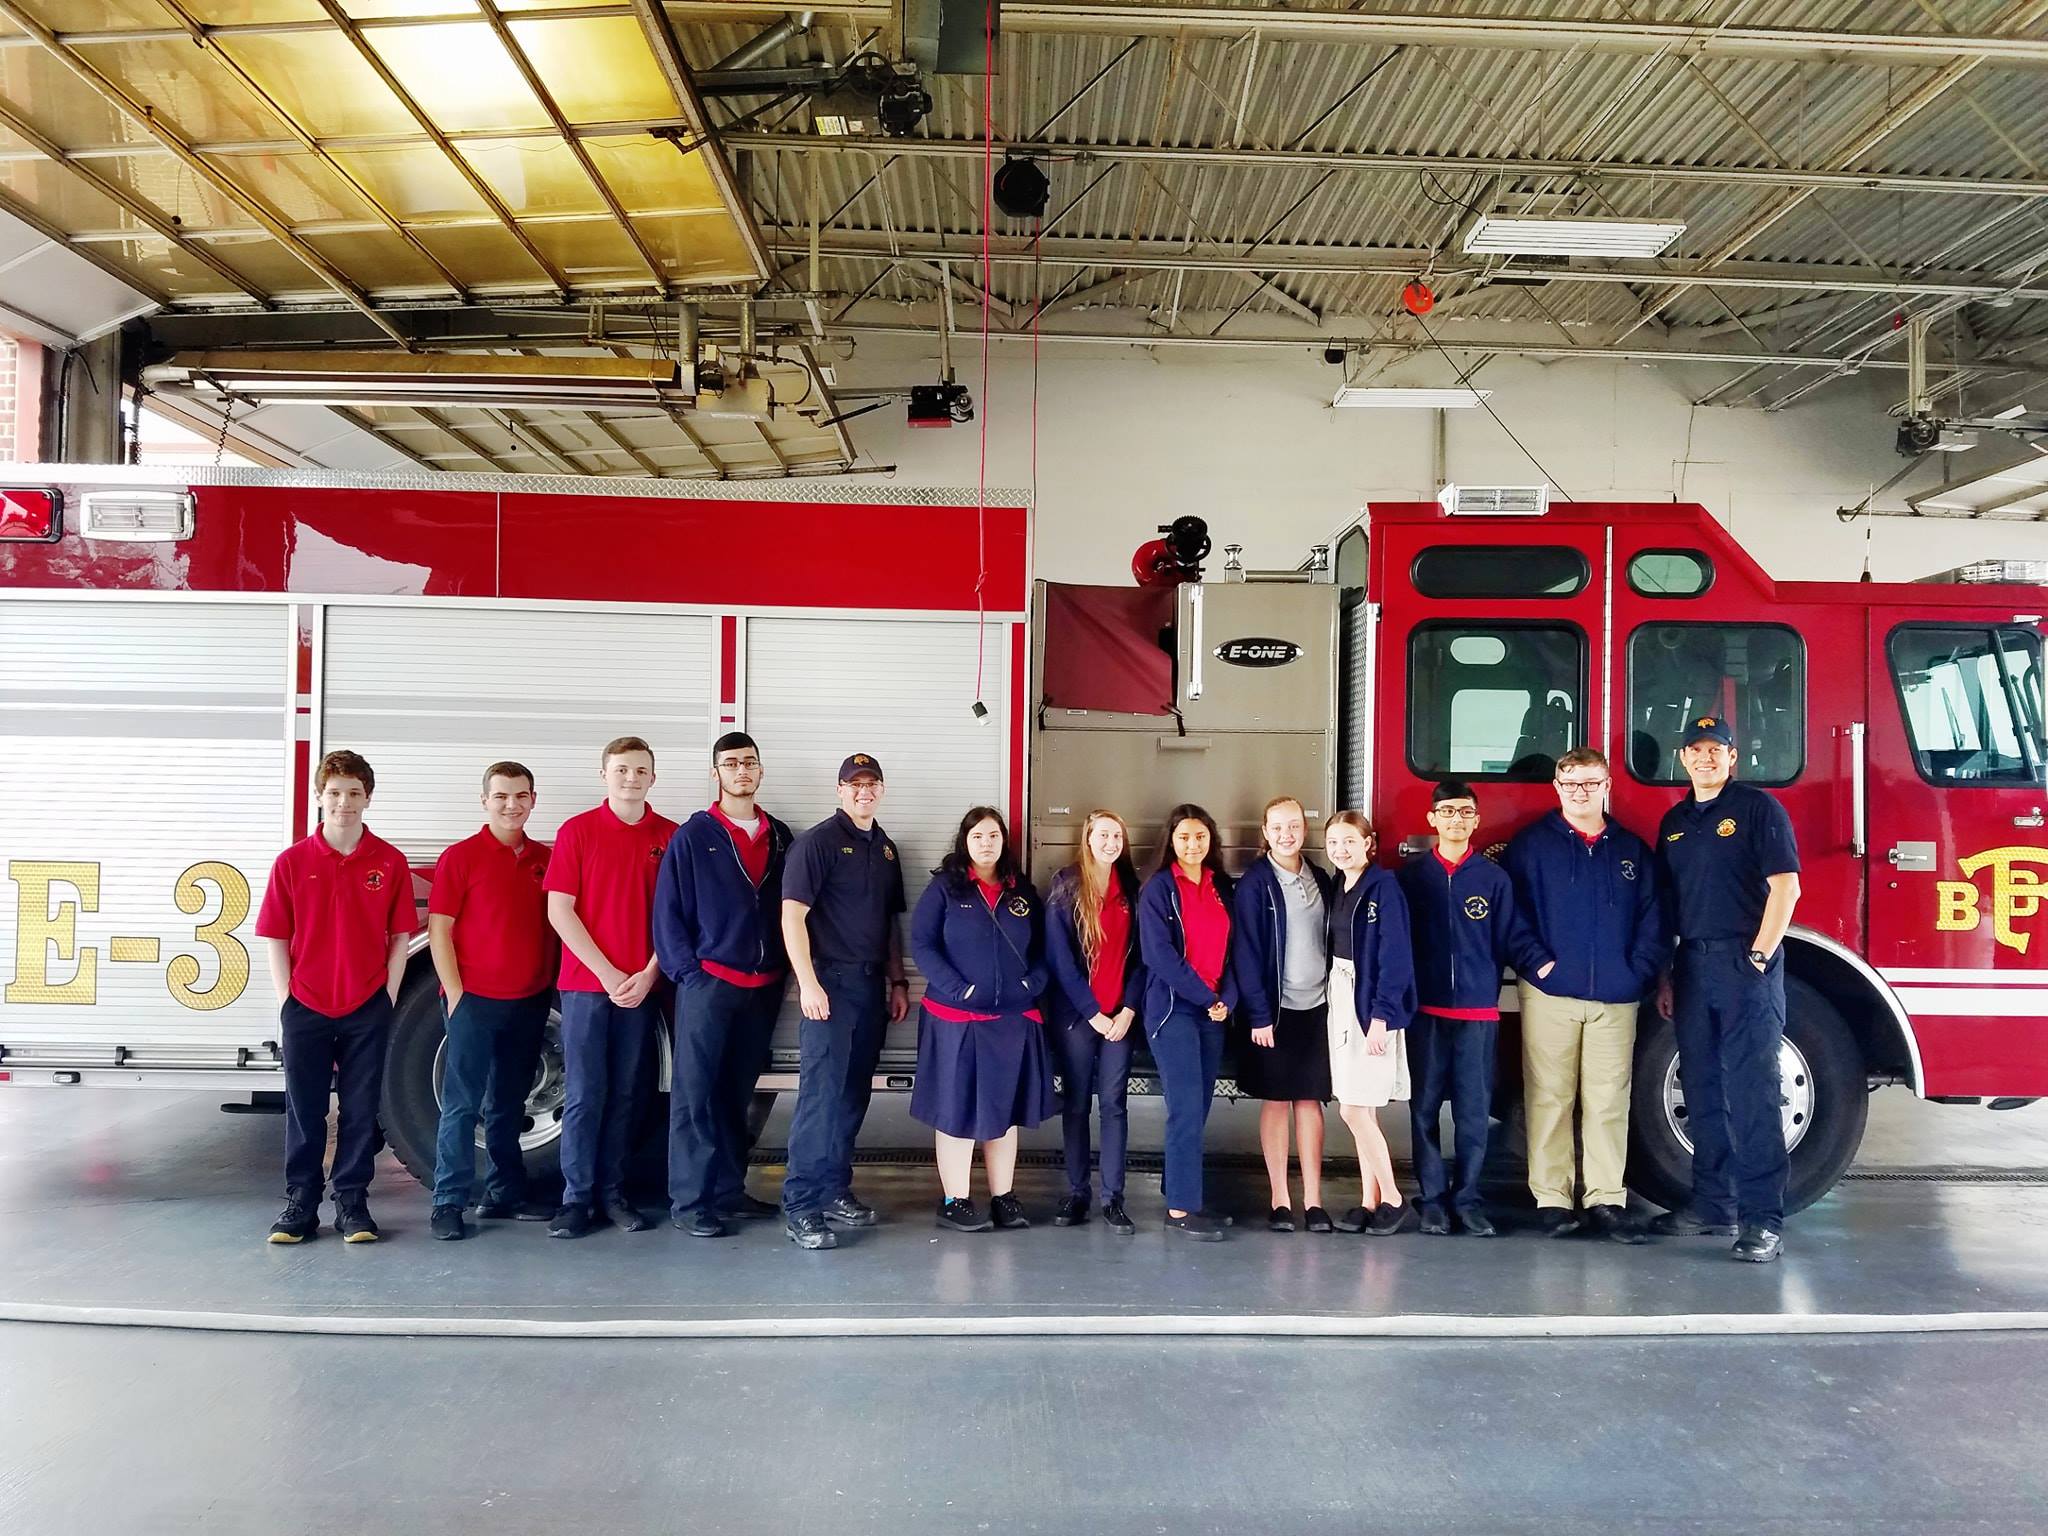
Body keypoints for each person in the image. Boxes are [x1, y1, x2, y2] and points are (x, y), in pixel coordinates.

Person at [1650, 715, 1802, 1263]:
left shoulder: (1759, 809)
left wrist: (1759, 956)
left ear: (1732, 758)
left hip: (1744, 964)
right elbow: (1668, 905)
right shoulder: (1674, 822)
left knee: (1752, 1093)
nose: (1706, 758)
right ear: (1683, 758)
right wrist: (1667, 974)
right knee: (1703, 1090)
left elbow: (1786, 888)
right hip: (1692, 965)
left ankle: (1763, 1221)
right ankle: (1713, 1204)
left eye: (1716, 750)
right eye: (1696, 750)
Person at [1502, 747, 1666, 1245]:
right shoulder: (1531, 847)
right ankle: (1552, 1200)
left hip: (1616, 999)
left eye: (1591, 783)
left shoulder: (1632, 851)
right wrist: (1538, 964)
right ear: (1557, 787)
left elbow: (1654, 919)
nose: (1581, 792)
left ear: (1607, 786)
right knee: (1548, 1098)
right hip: (1549, 994)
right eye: (1571, 783)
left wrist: (1636, 973)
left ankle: (1605, 1200)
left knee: (1608, 1101)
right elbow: (1511, 915)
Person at [255, 749, 415, 1244]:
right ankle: (301, 1203)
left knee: (360, 1109)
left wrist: (387, 996)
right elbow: (276, 936)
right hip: (306, 1005)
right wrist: (287, 998)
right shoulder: (292, 862)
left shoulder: (388, 861)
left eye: (354, 793)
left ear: (368, 798)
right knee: (305, 1109)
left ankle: (352, 1202)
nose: (344, 802)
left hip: (366, 1006)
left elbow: (399, 936)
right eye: (335, 793)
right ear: (319, 797)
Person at [654, 732, 793, 1239]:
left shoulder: (779, 836)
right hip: (709, 984)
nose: (741, 770)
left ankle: (730, 1191)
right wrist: (688, 974)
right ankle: (690, 1202)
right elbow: (667, 911)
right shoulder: (693, 835)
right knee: (695, 1095)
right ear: (716, 773)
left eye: (749, 762)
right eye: (731, 763)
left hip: (763, 988)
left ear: (760, 770)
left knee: (737, 1094)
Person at [543, 736, 677, 1239]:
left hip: (641, 989)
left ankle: (613, 1194)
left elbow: (677, 917)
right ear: (604, 775)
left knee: (626, 1094)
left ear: (653, 778)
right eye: (621, 769)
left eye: (640, 770)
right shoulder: (577, 831)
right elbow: (560, 910)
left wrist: (649, 974)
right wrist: (606, 974)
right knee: (584, 1094)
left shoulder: (671, 836)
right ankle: (575, 1200)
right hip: (586, 988)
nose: (631, 778)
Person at [779, 753, 911, 1251]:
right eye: (854, 784)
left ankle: (834, 1189)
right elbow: (792, 917)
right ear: (839, 790)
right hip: (829, 987)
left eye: (871, 783)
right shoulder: (817, 844)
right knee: (820, 1098)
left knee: (853, 1095)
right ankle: (801, 1207)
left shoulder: (886, 849)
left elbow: (889, 923)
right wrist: (808, 983)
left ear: (882, 790)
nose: (863, 791)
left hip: (871, 989)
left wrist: (898, 982)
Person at [1396, 779, 1537, 1238]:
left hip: (1477, 1015)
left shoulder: (1494, 880)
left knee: (1473, 1114)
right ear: (1431, 819)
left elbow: (1514, 938)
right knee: (1424, 1110)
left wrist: (1549, 966)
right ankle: (1433, 1200)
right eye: (1447, 812)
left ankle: (1468, 1199)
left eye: (1465, 812)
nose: (1456, 820)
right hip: (1426, 1014)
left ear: (1476, 821)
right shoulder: (1411, 880)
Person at [424, 761, 556, 1241]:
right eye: (501, 796)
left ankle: (503, 1194)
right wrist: (456, 994)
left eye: (520, 796)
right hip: (474, 1002)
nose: (511, 805)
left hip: (529, 1001)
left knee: (507, 1103)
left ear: (533, 800)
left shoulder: (545, 859)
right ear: (485, 801)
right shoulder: (460, 857)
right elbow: (439, 929)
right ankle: (448, 1201)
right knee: (462, 1106)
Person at [909, 807, 1055, 1232]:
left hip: (1011, 1020)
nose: (986, 843)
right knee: (955, 1108)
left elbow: (1044, 951)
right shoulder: (944, 888)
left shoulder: (1021, 891)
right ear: (965, 842)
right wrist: (959, 989)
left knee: (1003, 1110)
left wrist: (1032, 986)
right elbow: (922, 944)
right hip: (956, 1019)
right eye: (977, 836)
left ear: (1003, 841)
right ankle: (954, 1200)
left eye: (993, 835)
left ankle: (1003, 1197)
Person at [1231, 795, 1337, 1233]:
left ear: (1304, 830)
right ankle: (1279, 1200)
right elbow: (1246, 954)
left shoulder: (1322, 877)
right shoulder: (1255, 884)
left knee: (1309, 1101)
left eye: (1293, 826)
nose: (1286, 834)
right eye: (1277, 828)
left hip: (1317, 1009)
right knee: (1276, 1101)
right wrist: (1258, 1015)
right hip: (1274, 1013)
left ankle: (1313, 1201)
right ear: (1265, 833)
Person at [1137, 802, 1239, 1241]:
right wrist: (1206, 997)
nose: (1193, 844)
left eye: (1200, 836)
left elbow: (1236, 951)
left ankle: (1179, 1188)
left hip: (1213, 1012)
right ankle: (1180, 1210)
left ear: (1210, 839)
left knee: (1199, 1107)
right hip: (1173, 1011)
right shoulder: (1159, 888)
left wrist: (1227, 999)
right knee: (1185, 1109)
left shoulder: (1221, 886)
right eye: (1184, 837)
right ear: (1171, 842)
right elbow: (1158, 956)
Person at [1044, 810, 1146, 1235]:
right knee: (1076, 1104)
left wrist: (1128, 1010)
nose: (1110, 843)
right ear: (1087, 839)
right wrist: (1093, 1014)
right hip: (1079, 1017)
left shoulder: (1132, 890)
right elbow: (1059, 960)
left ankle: (1112, 1198)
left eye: (1116, 835)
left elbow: (1143, 958)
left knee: (1114, 1105)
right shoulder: (1067, 885)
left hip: (1120, 1018)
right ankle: (1077, 1193)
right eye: (1102, 835)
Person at [1322, 811, 1417, 1237]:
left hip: (1370, 1005)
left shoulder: (1384, 888)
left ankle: (1393, 1198)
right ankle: (1369, 1200)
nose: (1341, 850)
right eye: (1333, 842)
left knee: (1353, 1110)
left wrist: (1381, 1017)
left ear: (1368, 843)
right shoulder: (1339, 887)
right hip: (1342, 996)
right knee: (1360, 1105)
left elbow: (1395, 958)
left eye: (1349, 841)